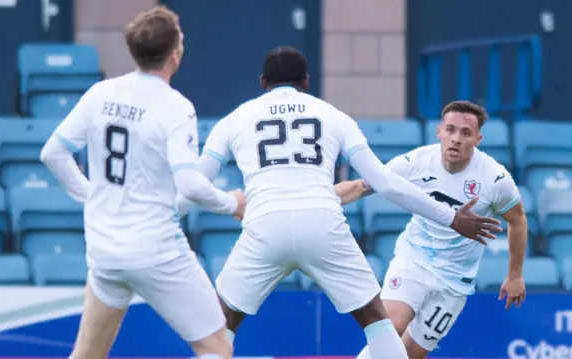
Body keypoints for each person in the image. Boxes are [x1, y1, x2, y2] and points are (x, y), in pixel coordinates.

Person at [176, 46, 502, 359]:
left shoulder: (235, 119)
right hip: (324, 224)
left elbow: (193, 185)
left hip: (264, 226)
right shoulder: (334, 116)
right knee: (378, 323)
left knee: (221, 328)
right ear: (306, 82)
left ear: (263, 82)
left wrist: (168, 215)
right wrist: (450, 217)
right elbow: (385, 182)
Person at [39, 6, 243, 359]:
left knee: (86, 354)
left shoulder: (100, 93)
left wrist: (90, 196)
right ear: (175, 54)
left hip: (105, 250)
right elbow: (191, 186)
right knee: (216, 346)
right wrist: (231, 204)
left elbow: (53, 154)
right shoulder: (175, 107)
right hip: (156, 250)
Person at [334, 100, 528, 359]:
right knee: (391, 329)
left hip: (455, 282)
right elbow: (360, 187)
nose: (456, 139)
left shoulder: (495, 179)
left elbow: (518, 220)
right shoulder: (416, 162)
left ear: (478, 139)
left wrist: (515, 275)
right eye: (450, 130)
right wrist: (314, 199)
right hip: (414, 260)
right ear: (439, 132)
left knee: (407, 355)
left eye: (465, 133)